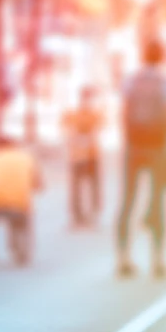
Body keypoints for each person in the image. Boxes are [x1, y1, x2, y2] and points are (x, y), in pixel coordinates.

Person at [116, 38, 166, 280]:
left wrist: (129, 142)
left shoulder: (131, 81)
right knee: (157, 203)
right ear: (162, 58)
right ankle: (158, 260)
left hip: (134, 147)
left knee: (128, 202)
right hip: (158, 146)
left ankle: (123, 257)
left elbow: (122, 114)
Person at [0, 136, 41, 266]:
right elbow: (37, 183)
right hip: (19, 203)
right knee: (22, 216)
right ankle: (21, 248)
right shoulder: (26, 158)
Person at [61, 85, 103, 227]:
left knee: (88, 186)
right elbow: (65, 127)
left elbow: (99, 126)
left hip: (87, 155)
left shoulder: (89, 113)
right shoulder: (79, 113)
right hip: (81, 155)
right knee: (80, 187)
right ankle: (79, 214)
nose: (87, 101)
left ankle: (89, 213)